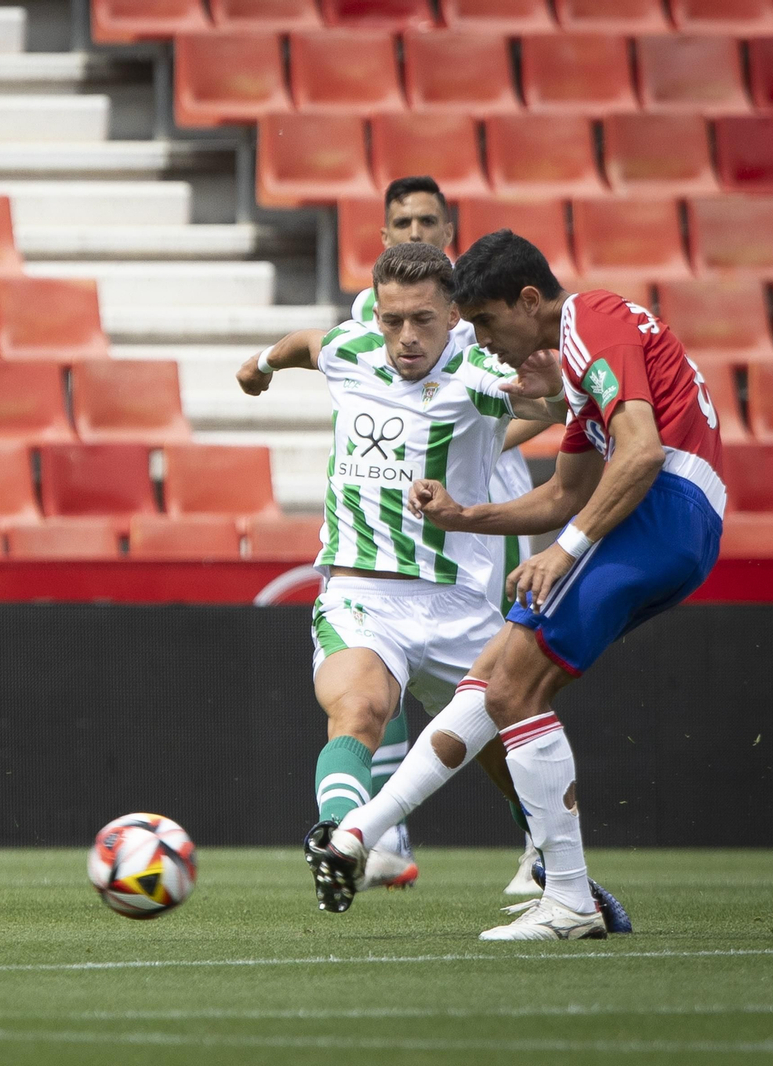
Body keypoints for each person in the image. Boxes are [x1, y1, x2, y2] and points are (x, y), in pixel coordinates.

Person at [311, 230, 721, 940]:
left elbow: (643, 452)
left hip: (662, 509)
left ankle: (566, 897)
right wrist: (464, 515)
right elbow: (563, 494)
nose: (488, 345)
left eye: (490, 324)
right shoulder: (583, 377)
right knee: (497, 682)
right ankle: (354, 839)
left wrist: (564, 553)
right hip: (674, 523)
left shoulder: (590, 316)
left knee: (512, 688)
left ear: (529, 301)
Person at [235, 242, 566, 908]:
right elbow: (309, 343)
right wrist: (264, 364)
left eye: (422, 320)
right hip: (362, 594)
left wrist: (546, 397)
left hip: (456, 603)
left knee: (511, 745)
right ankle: (337, 841)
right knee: (358, 709)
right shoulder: (354, 349)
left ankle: (555, 864)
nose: (406, 337)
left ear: (454, 315)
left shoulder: (475, 370)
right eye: (392, 320)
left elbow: (543, 407)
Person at [350, 177, 551, 893]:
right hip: (408, 512)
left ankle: (540, 834)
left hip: (485, 506)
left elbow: (548, 399)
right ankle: (384, 837)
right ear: (382, 235)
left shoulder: (477, 321)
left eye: (426, 220)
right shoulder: (376, 317)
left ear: (449, 230)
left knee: (497, 675)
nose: (413, 230)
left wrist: (486, 443)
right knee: (382, 665)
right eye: (400, 220)